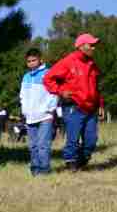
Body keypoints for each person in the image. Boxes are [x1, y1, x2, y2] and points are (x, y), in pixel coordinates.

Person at [43, 33, 104, 171]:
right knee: (73, 139)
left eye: (95, 45)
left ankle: (82, 160)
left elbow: (96, 86)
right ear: (81, 46)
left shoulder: (92, 64)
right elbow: (48, 79)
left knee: (91, 141)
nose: (94, 48)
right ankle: (71, 163)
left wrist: (100, 104)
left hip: (91, 108)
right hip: (73, 107)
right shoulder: (67, 62)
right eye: (91, 45)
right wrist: (60, 91)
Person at [19, 48, 58, 176]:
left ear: (40, 60)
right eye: (29, 61)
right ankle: (35, 169)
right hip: (30, 117)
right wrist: (24, 111)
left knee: (43, 144)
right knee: (33, 146)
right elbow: (22, 96)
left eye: (33, 60)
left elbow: (54, 93)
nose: (31, 63)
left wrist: (49, 109)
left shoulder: (48, 73)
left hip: (45, 116)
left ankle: (44, 170)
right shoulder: (26, 77)